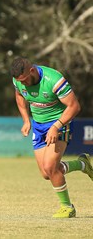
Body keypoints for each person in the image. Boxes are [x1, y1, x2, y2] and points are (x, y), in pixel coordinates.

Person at [11, 57, 93, 218]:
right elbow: (19, 96)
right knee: (46, 174)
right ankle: (82, 164)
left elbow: (74, 106)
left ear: (32, 71)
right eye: (20, 81)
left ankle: (67, 208)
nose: (23, 84)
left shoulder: (53, 80)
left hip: (59, 123)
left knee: (50, 167)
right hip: (38, 126)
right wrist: (26, 120)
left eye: (25, 80)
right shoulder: (18, 81)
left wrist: (56, 126)